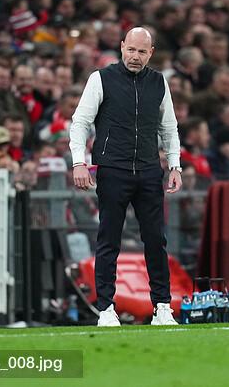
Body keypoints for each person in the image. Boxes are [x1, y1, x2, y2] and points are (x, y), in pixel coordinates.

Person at [70, 27, 182, 327]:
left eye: (141, 51)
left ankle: (162, 307)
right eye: (131, 49)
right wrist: (79, 163)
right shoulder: (100, 79)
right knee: (109, 239)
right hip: (112, 169)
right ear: (122, 47)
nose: (135, 56)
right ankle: (106, 308)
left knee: (156, 240)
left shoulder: (159, 82)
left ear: (151, 53)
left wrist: (175, 166)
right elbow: (80, 122)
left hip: (149, 169)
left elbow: (169, 127)